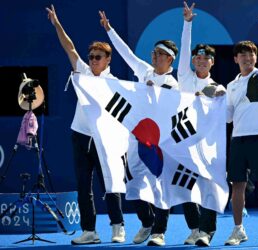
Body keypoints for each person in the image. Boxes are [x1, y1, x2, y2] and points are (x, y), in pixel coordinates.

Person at [46, 5, 125, 245]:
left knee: (110, 184)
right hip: (80, 136)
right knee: (83, 186)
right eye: (90, 56)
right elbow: (68, 46)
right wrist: (57, 23)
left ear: (107, 60)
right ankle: (89, 231)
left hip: (104, 139)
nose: (92, 60)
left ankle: (117, 227)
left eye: (97, 57)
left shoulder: (114, 82)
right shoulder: (82, 71)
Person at [99, 11, 179, 246]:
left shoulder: (173, 84)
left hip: (159, 143)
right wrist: (109, 30)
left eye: (160, 54)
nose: (155, 56)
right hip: (136, 138)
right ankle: (147, 222)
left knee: (160, 186)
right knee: (132, 185)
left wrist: (155, 93)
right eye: (154, 53)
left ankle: (159, 232)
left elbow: (167, 111)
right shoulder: (144, 71)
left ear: (170, 59)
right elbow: (126, 54)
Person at [225, 5, 258, 247]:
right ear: (236, 59)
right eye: (243, 55)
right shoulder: (231, 85)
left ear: (256, 58)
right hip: (238, 140)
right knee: (237, 187)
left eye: (251, 54)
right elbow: (226, 117)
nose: (247, 58)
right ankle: (238, 230)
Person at [176, 2, 226, 247]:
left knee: (208, 189)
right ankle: (195, 228)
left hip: (206, 147)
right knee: (185, 189)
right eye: (198, 57)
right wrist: (187, 24)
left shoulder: (218, 87)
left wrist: (216, 92)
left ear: (212, 63)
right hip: (183, 142)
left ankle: (207, 231)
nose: (201, 61)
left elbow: (221, 98)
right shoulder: (184, 77)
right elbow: (184, 50)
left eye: (206, 58)